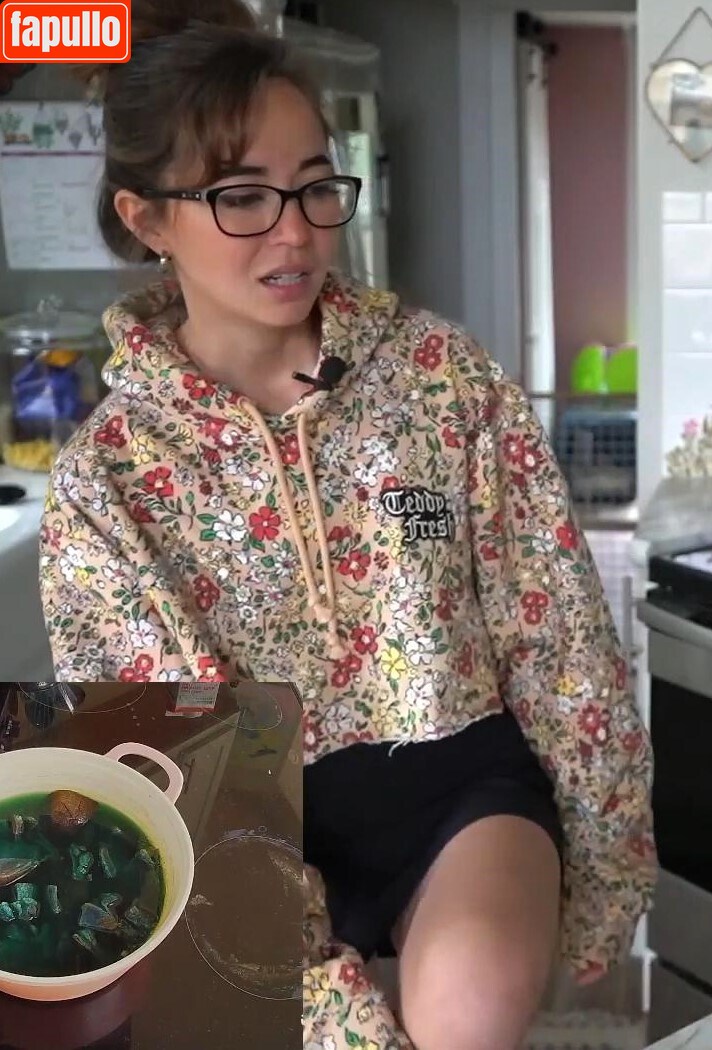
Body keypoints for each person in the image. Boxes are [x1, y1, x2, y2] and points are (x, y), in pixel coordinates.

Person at [39, 3, 657, 1048]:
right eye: (242, 196)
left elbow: (556, 631)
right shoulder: (107, 480)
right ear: (147, 219)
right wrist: (332, 1015)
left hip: (458, 782)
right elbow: (169, 774)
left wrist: (607, 858)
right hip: (245, 824)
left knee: (467, 1019)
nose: (295, 231)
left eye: (317, 185)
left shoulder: (438, 376)